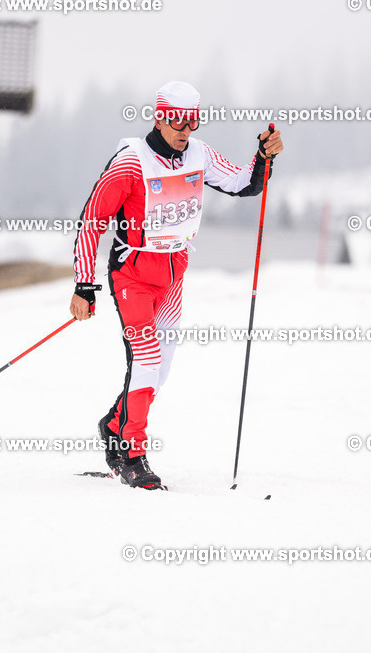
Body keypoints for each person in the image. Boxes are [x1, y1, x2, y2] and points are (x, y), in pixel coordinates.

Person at [70, 81, 283, 489]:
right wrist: (85, 285)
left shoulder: (198, 155)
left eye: (192, 121)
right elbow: (92, 218)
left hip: (172, 276)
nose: (185, 130)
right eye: (176, 121)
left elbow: (245, 183)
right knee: (147, 361)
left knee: (159, 371)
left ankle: (114, 424)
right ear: (158, 117)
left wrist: (262, 156)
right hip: (131, 273)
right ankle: (131, 453)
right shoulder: (131, 162)